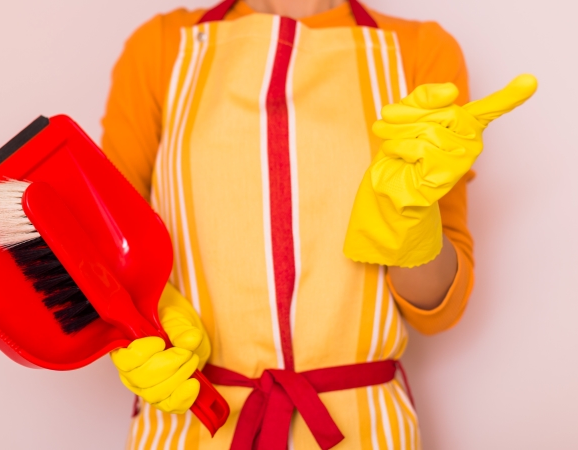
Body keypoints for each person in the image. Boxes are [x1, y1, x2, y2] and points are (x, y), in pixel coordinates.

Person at [100, 0, 535, 448]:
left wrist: (411, 221)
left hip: (363, 429)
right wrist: (146, 322)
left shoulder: (419, 50)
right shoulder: (160, 47)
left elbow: (439, 308)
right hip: (192, 415)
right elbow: (102, 243)